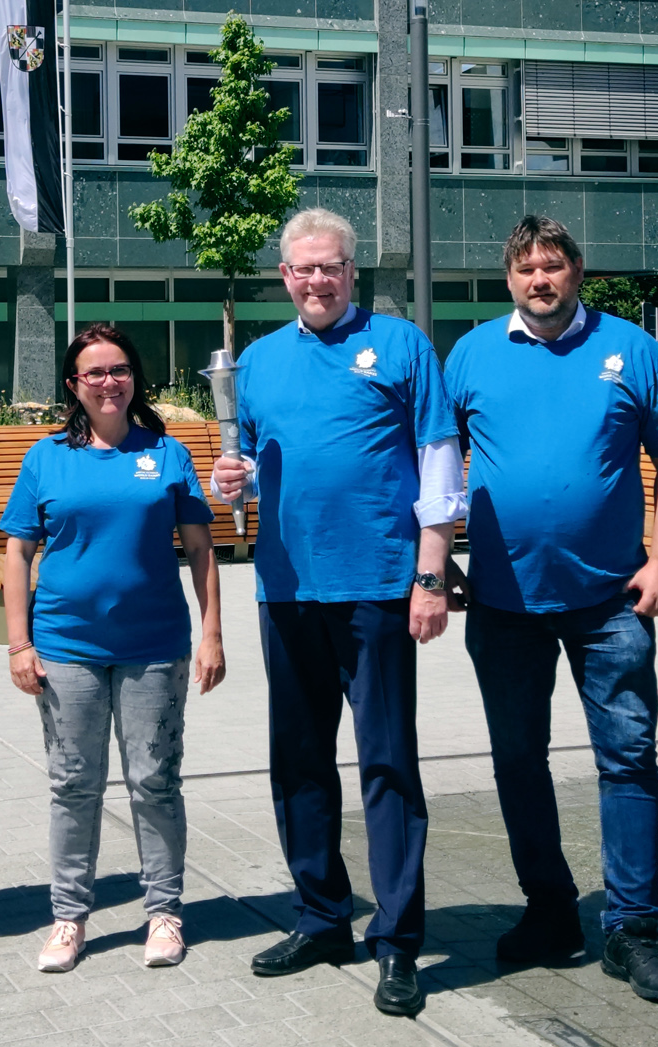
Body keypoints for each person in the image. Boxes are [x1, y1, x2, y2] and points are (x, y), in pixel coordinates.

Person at [211, 207, 464, 1017]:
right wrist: (231, 482)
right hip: (287, 589)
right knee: (299, 763)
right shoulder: (256, 362)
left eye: (331, 267)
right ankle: (321, 915)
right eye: (302, 269)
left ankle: (397, 942)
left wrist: (430, 577)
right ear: (283, 276)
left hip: (378, 588)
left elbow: (439, 465)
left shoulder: (400, 347)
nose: (316, 280)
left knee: (388, 763)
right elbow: (247, 465)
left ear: (352, 272)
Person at [442, 215, 658, 1002]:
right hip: (502, 600)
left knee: (627, 759)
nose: (539, 280)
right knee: (518, 760)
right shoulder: (473, 353)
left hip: (611, 600)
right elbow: (433, 459)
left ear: (577, 271)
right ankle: (551, 910)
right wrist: (438, 561)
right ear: (508, 279)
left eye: (552, 266)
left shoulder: (630, 350)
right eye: (525, 269)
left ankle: (632, 929)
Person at [2, 323, 225, 974]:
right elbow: (17, 550)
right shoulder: (47, 457)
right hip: (66, 645)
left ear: (135, 378)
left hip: (154, 645)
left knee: (155, 781)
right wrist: (19, 642)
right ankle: (68, 917)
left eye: (118, 369)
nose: (107, 381)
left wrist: (211, 632)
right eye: (93, 372)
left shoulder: (168, 453)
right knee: (74, 785)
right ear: (73, 385)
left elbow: (201, 549)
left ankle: (164, 911)